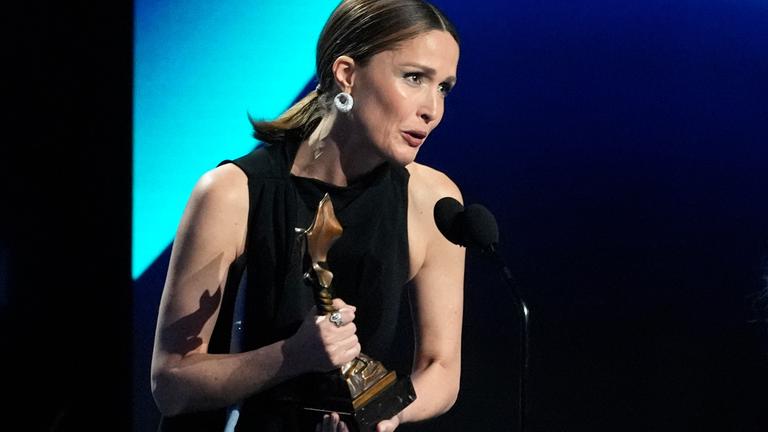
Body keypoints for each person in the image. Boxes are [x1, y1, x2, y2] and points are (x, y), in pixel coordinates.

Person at [150, 1, 464, 431]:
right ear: (347, 74)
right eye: (414, 78)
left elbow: (440, 367)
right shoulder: (232, 193)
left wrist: (387, 414)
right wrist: (292, 356)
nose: (433, 109)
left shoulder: (434, 202)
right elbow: (170, 384)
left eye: (444, 87)